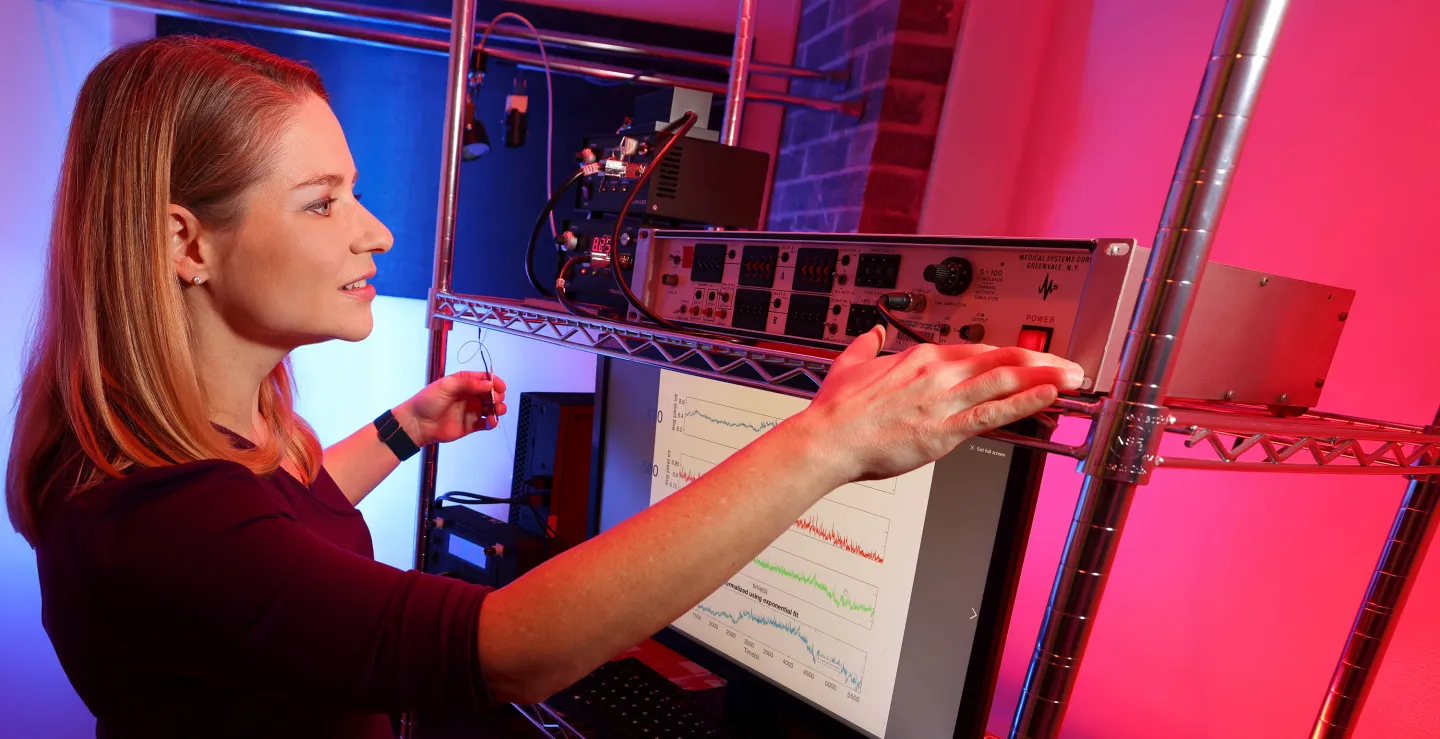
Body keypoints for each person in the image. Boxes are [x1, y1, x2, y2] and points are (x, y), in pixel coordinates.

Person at [5, 36, 1083, 739]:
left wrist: (403, 428)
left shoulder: (181, 461)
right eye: (323, 201)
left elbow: (279, 535)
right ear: (185, 241)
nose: (374, 231)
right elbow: (508, 649)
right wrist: (827, 442)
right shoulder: (160, 522)